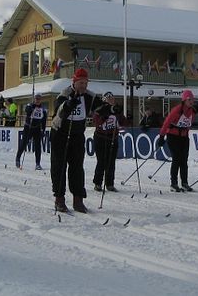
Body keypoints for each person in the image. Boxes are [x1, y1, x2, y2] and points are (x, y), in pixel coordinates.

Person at [50, 68, 103, 213]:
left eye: (86, 83)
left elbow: (100, 108)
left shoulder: (89, 96)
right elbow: (59, 110)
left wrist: (110, 110)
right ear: (74, 82)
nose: (84, 86)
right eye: (81, 83)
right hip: (60, 134)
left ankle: (78, 200)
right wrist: (68, 105)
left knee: (77, 168)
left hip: (77, 135)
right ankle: (59, 199)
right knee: (59, 168)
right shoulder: (65, 93)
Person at [156, 90, 198, 192]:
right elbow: (167, 122)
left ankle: (184, 183)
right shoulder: (177, 110)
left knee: (184, 160)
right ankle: (174, 183)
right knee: (176, 159)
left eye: (192, 100)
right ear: (184, 100)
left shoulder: (192, 111)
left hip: (184, 138)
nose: (191, 102)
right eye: (189, 100)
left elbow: (188, 124)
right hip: (173, 136)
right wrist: (161, 136)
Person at [92, 92, 127, 192]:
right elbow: (96, 122)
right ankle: (98, 183)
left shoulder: (115, 110)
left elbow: (123, 122)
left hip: (112, 138)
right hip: (101, 138)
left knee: (111, 162)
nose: (112, 100)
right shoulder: (100, 109)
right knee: (101, 161)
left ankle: (109, 183)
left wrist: (122, 115)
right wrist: (104, 117)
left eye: (112, 98)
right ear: (104, 99)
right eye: (109, 98)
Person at [15, 93, 47, 170]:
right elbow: (27, 111)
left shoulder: (43, 109)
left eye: (39, 99)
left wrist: (43, 129)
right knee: (24, 143)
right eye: (36, 99)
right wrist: (31, 108)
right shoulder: (30, 105)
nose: (37, 100)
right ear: (34, 99)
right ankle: (18, 158)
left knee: (38, 146)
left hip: (37, 129)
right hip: (28, 128)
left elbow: (44, 121)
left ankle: (38, 163)